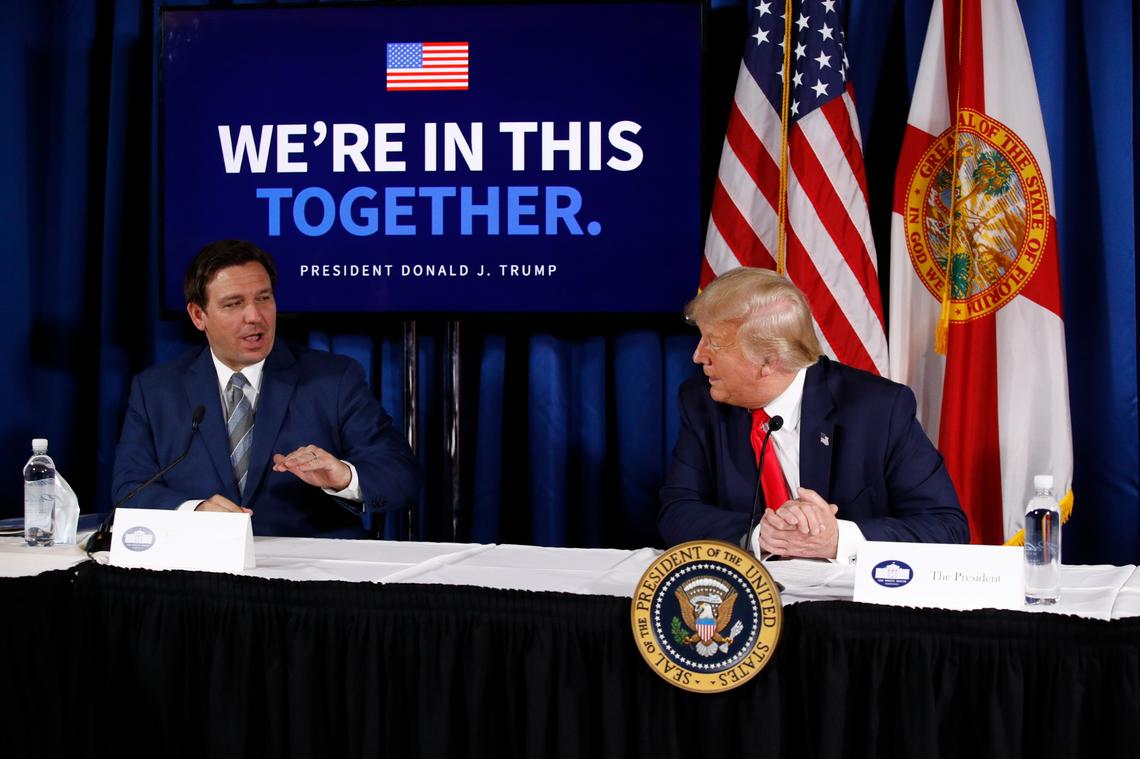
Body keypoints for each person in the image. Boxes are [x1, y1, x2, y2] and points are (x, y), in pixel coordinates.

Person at [112, 239, 419, 538]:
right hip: (199, 570)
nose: (255, 317)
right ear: (198, 315)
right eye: (234, 304)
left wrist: (344, 476)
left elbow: (400, 476)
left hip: (311, 573)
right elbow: (129, 490)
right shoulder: (156, 390)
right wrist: (194, 512)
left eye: (263, 299)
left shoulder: (334, 379)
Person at [658, 267, 968, 562]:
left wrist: (838, 538)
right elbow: (677, 512)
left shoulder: (878, 409)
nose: (698, 356)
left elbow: (946, 528)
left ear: (769, 361)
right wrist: (760, 535)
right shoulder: (701, 401)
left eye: (713, 343)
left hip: (847, 605)